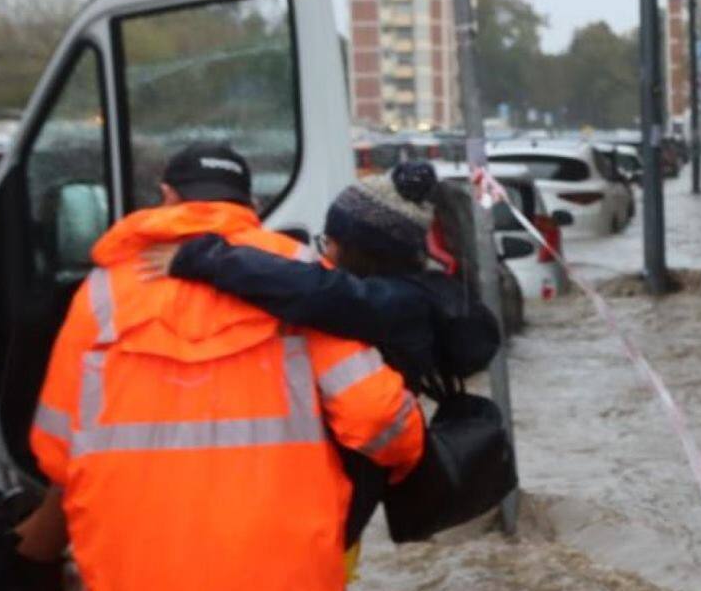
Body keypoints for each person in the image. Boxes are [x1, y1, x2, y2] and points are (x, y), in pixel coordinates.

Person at [23, 143, 424, 591]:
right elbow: (381, 423)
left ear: (166, 192)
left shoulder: (102, 296)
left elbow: (56, 449)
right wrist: (417, 444)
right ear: (248, 204)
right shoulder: (295, 280)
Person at [151, 161, 505, 547]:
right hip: (356, 486)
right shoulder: (416, 296)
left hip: (351, 492)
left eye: (330, 241)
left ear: (363, 251)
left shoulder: (395, 304)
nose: (325, 252)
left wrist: (208, 257)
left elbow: (314, 290)